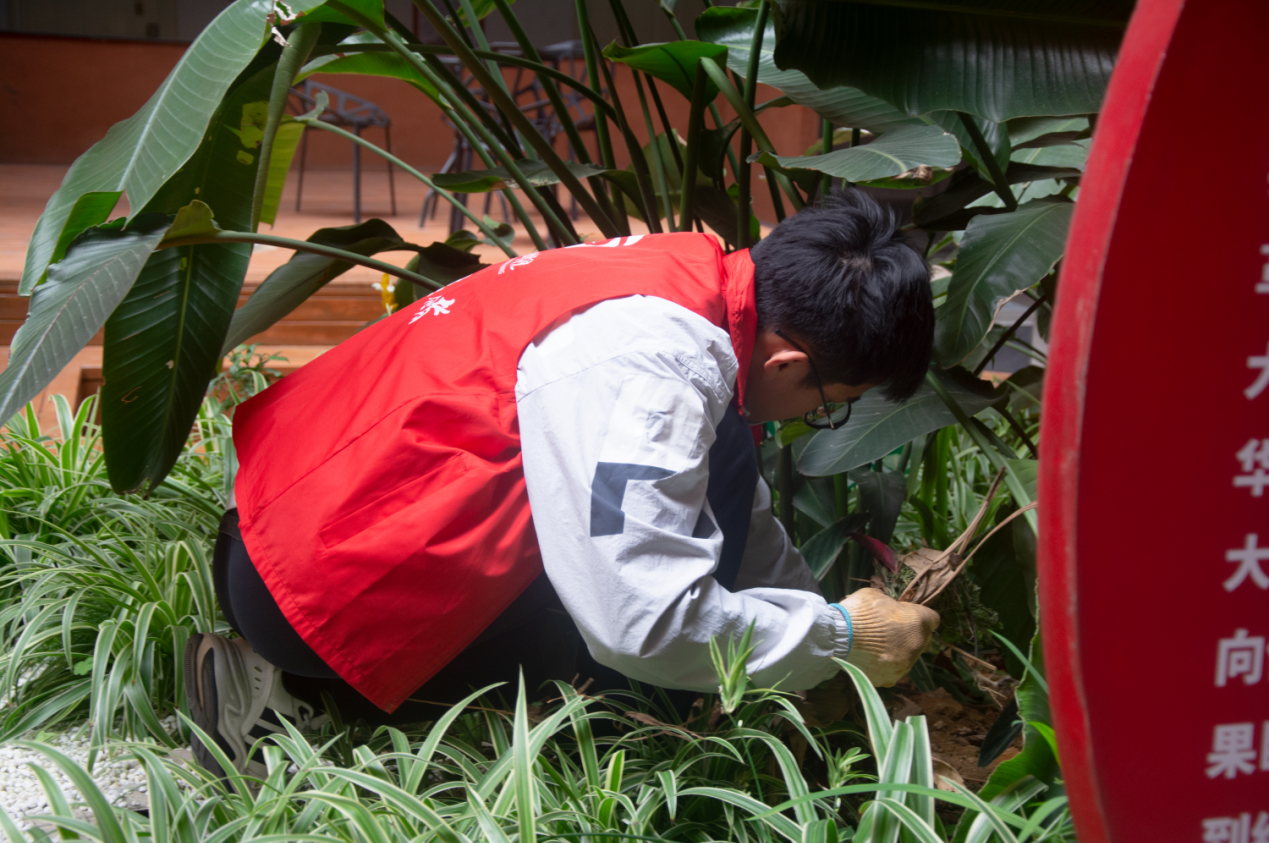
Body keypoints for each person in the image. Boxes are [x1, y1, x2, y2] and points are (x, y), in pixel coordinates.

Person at [183, 189, 941, 778]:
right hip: (311, 597)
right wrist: (839, 638)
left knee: (722, 464)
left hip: (289, 523)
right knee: (629, 642)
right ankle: (297, 698)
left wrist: (811, 636)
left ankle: (304, 677)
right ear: (787, 366)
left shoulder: (689, 279)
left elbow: (734, 505)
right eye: (828, 408)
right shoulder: (656, 368)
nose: (814, 420)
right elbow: (642, 625)